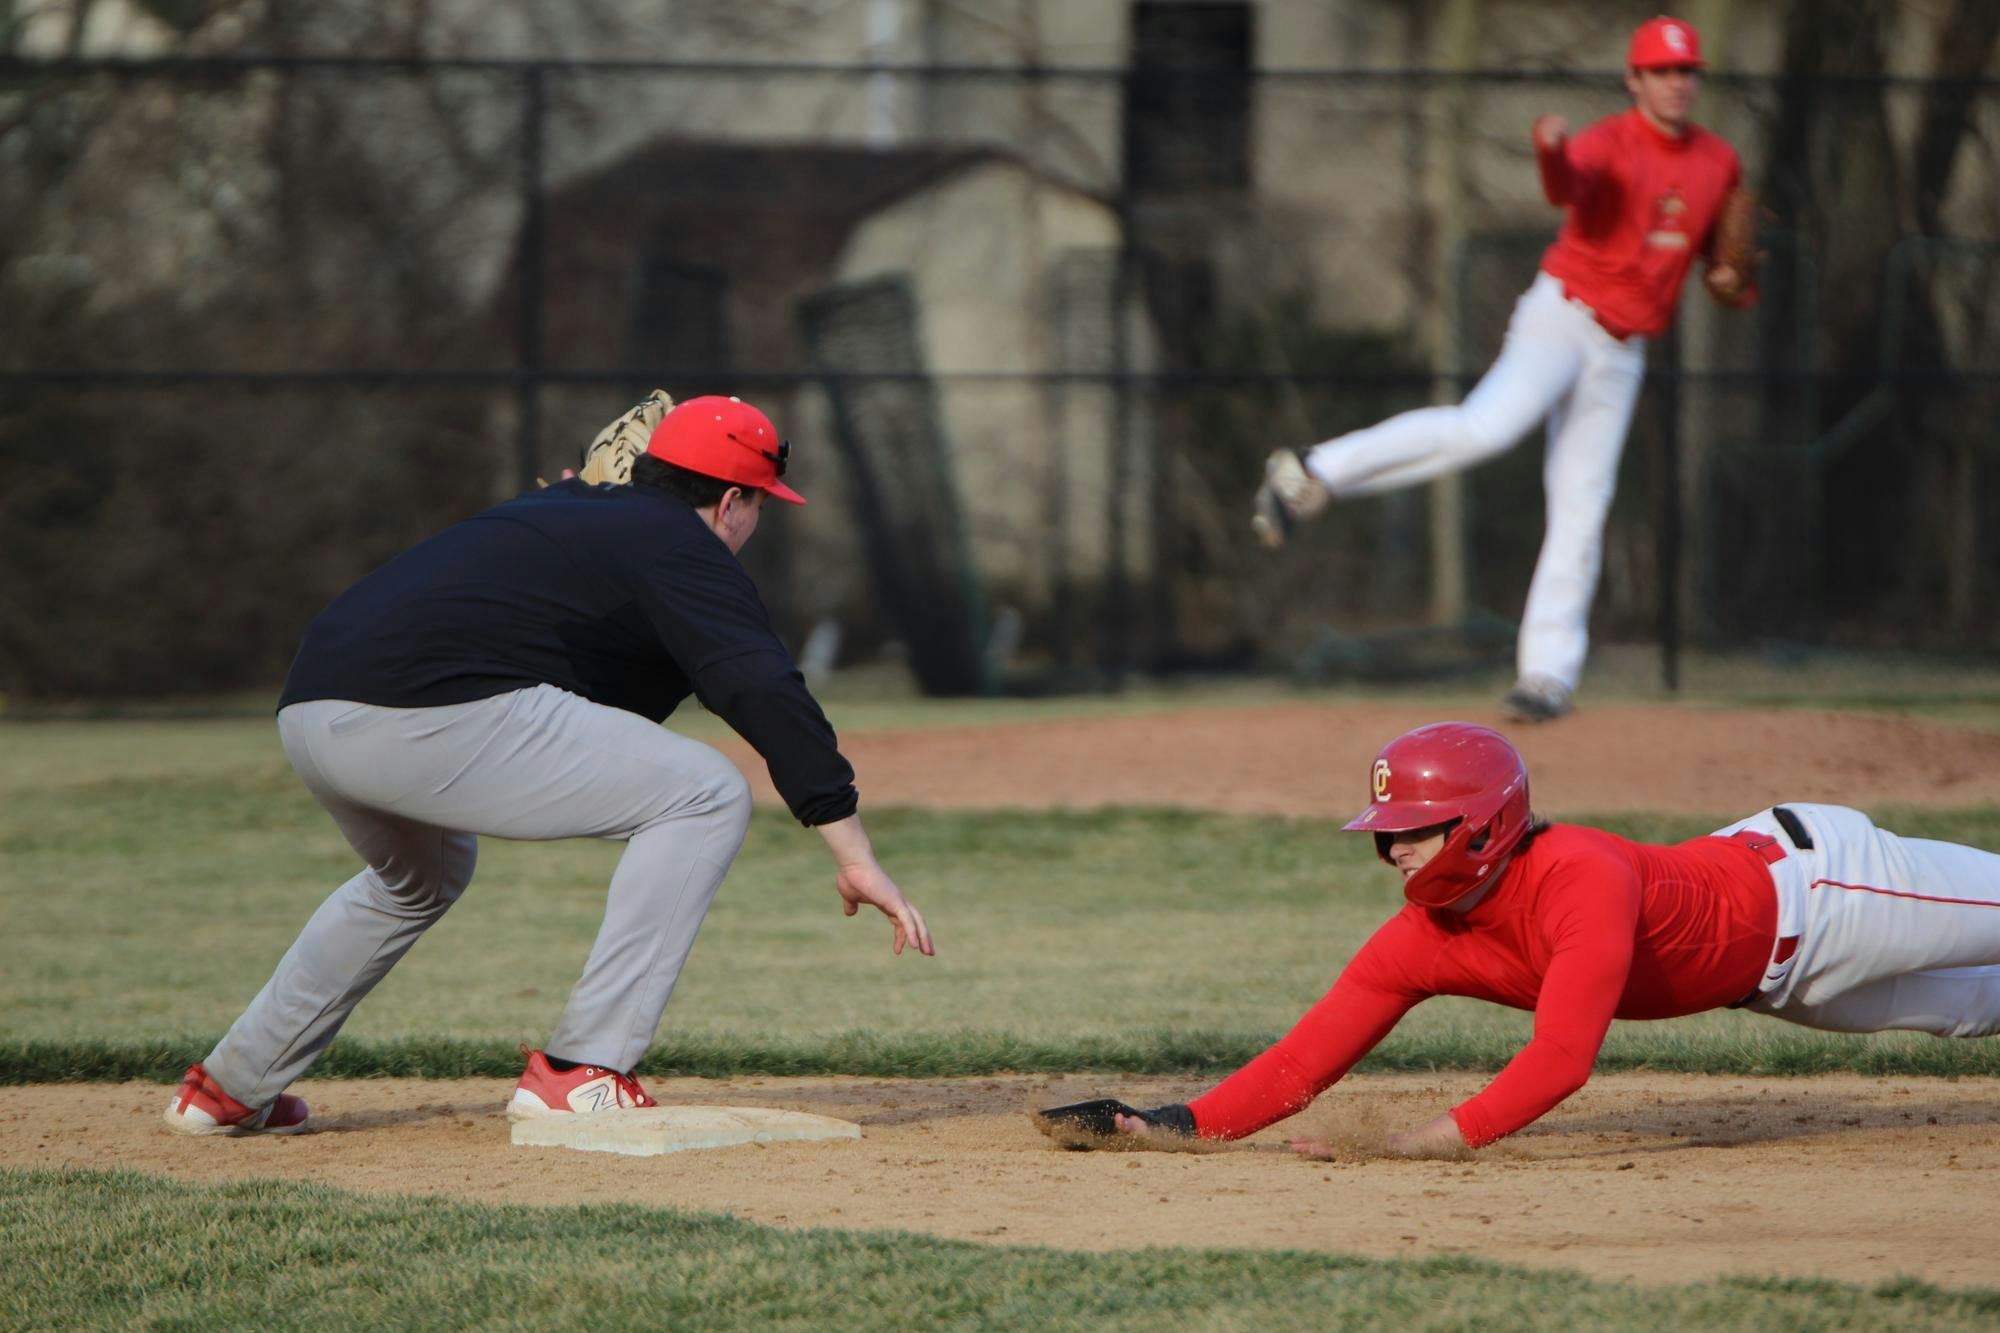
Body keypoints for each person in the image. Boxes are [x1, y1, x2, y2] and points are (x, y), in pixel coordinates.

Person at [164, 394, 935, 1137]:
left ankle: (230, 1086)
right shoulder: (681, 546)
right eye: (761, 504)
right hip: (422, 711)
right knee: (704, 793)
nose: (754, 522)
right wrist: (854, 852)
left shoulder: (566, 513)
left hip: (311, 708)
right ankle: (582, 1069)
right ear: (733, 500)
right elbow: (762, 685)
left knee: (417, 878)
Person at [1039, 722, 2000, 1157]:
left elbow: (1562, 1058)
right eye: (1385, 832)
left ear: (1485, 825)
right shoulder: (1421, 939)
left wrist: (1430, 1139)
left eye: (1413, 828)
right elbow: (1306, 1057)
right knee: (1974, 1016)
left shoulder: (1580, 873)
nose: (1392, 847)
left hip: (1826, 886)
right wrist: (1169, 1125)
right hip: (1782, 982)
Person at [1252, 15, 1753, 723]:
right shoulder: (1611, 142)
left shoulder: (1718, 163)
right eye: (1662, 71)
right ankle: (1314, 466)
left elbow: (1723, 269)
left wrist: (1733, 278)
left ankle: (1547, 675)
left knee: (1583, 504)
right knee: (1486, 429)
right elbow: (1567, 186)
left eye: (1687, 71)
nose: (1677, 83)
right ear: (1634, 79)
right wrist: (1550, 152)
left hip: (1624, 348)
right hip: (1563, 317)